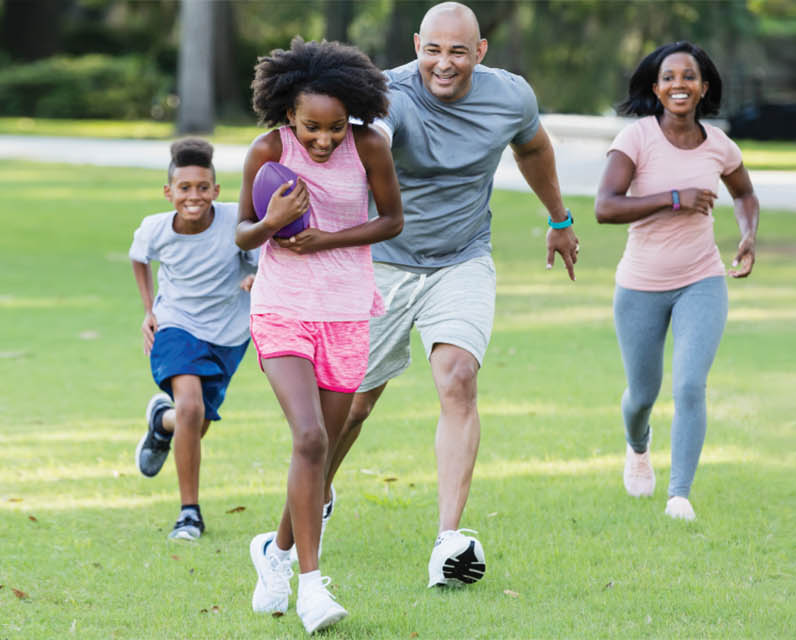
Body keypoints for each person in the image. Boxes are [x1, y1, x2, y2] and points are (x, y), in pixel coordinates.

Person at [322, 1, 580, 589]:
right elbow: (369, 143)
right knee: (355, 404)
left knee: (458, 377)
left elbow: (534, 148)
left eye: (458, 51)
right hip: (383, 264)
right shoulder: (385, 94)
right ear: (417, 44)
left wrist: (559, 218)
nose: (444, 63)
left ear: (480, 52)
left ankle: (449, 541)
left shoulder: (510, 97)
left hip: (462, 258)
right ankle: (317, 491)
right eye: (433, 49)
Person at [234, 39, 404, 633]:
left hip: (347, 310)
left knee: (322, 452)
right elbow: (241, 236)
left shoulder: (371, 146)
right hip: (281, 308)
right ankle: (311, 588)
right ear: (289, 116)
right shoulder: (267, 150)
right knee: (308, 437)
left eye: (335, 128)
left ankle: (273, 552)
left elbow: (391, 220)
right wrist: (272, 224)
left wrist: (325, 239)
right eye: (312, 128)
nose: (324, 140)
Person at [592, 41, 760, 521]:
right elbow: (605, 207)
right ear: (656, 88)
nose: (679, 85)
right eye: (669, 77)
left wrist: (748, 234)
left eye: (689, 76)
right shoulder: (637, 139)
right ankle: (637, 446)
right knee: (642, 394)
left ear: (704, 87)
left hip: (701, 280)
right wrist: (673, 197)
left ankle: (679, 495)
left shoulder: (720, 145)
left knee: (689, 386)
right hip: (640, 285)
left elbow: (745, 194)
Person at [129, 138, 259, 541]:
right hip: (176, 325)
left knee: (194, 420)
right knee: (190, 407)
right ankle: (189, 514)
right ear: (169, 192)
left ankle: (160, 423)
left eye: (203, 187)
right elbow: (139, 259)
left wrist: (257, 277)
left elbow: (264, 259)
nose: (194, 196)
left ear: (216, 191)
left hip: (229, 333)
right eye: (184, 188)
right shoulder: (155, 228)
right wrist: (150, 310)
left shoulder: (236, 220)